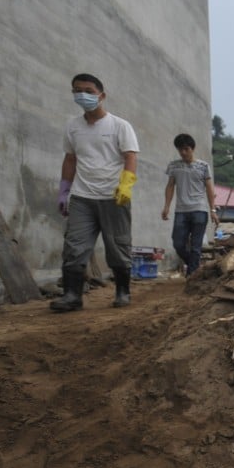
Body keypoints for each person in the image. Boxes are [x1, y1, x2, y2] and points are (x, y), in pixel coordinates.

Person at [51, 73, 139, 312]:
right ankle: (72, 295)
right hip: (82, 197)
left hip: (114, 196)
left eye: (89, 91)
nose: (83, 95)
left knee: (118, 246)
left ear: (102, 95)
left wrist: (126, 185)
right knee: (74, 246)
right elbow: (70, 159)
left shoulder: (119, 126)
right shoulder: (73, 127)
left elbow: (130, 156)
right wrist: (64, 191)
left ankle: (122, 291)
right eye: (77, 90)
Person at [162, 134, 217, 276]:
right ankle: (195, 267)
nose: (183, 152)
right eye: (180, 149)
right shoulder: (173, 166)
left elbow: (210, 189)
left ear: (192, 149)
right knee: (178, 244)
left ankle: (192, 275)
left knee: (196, 247)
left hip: (200, 210)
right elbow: (170, 186)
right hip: (181, 211)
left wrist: (213, 209)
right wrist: (166, 206)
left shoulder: (203, 166)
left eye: (186, 149)